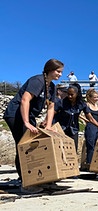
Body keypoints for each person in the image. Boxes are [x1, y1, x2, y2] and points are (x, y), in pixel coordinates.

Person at [3, 58, 64, 193]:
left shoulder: (52, 87)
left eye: (61, 72)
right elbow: (25, 100)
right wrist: (26, 122)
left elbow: (51, 106)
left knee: (34, 145)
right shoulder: (38, 81)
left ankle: (37, 177)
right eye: (58, 71)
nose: (60, 74)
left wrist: (48, 125)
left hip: (29, 116)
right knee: (24, 146)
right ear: (49, 70)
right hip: (16, 114)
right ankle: (26, 183)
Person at [54, 83, 87, 151]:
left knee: (73, 149)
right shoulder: (62, 103)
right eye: (68, 94)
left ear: (77, 94)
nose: (69, 96)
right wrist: (46, 122)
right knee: (61, 150)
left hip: (74, 130)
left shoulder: (81, 104)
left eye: (72, 94)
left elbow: (89, 116)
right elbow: (52, 113)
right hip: (62, 129)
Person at [83, 88, 98, 169]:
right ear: (90, 97)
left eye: (97, 97)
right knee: (90, 146)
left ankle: (96, 163)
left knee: (97, 145)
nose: (97, 99)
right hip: (91, 127)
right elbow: (90, 118)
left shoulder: (97, 106)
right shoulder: (87, 105)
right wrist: (86, 120)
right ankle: (89, 163)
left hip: (97, 126)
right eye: (95, 97)